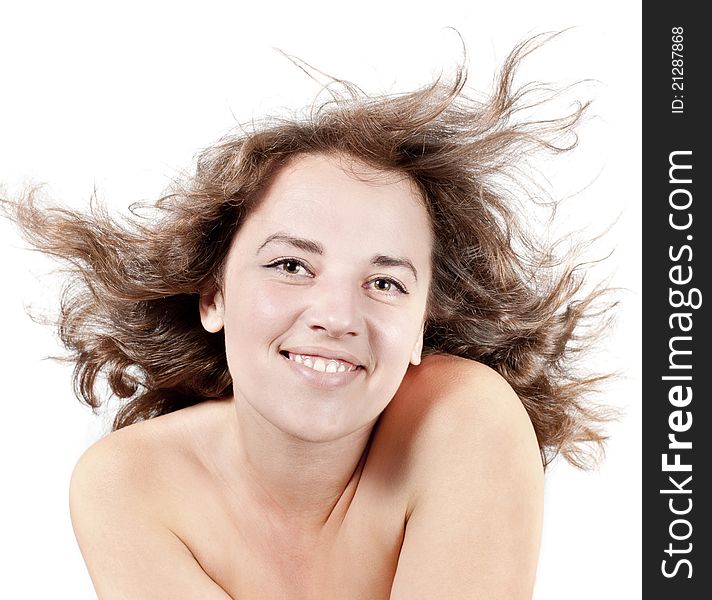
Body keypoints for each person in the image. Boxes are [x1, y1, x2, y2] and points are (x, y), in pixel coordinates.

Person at [3, 33, 613, 599]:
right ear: (213, 295)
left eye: (385, 282)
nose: (336, 315)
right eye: (291, 266)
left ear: (421, 328)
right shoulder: (128, 482)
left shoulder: (464, 417)